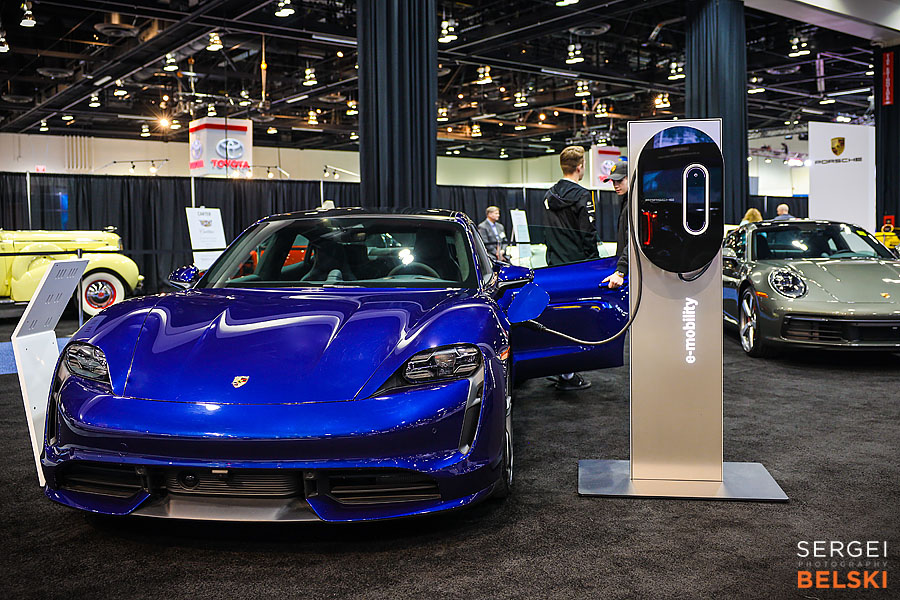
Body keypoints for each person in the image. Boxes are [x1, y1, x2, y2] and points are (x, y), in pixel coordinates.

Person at [542, 145, 598, 391]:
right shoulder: (583, 196)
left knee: (557, 318)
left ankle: (561, 369)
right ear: (580, 167)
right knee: (576, 319)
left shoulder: (548, 196)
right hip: (578, 268)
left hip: (554, 265)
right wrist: (594, 264)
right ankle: (568, 373)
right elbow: (588, 234)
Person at [599, 157, 629, 290]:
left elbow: (634, 241)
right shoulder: (626, 202)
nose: (616, 185)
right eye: (613, 181)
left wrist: (621, 271)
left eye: (620, 180)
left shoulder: (634, 204)